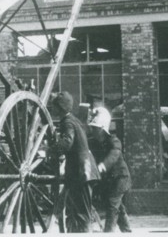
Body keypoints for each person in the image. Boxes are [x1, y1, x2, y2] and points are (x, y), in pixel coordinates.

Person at [49, 91, 99, 233]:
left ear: (61, 107)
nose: (52, 109)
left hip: (81, 171)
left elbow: (67, 142)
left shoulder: (68, 122)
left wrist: (51, 150)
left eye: (54, 106)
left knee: (81, 213)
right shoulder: (74, 120)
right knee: (80, 212)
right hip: (84, 170)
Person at [87, 107, 131, 232]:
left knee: (112, 206)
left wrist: (102, 166)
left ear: (102, 129)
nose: (93, 130)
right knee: (118, 207)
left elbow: (114, 155)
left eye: (95, 128)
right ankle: (127, 231)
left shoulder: (114, 141)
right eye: (92, 127)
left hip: (120, 179)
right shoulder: (93, 142)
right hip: (109, 182)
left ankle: (108, 232)